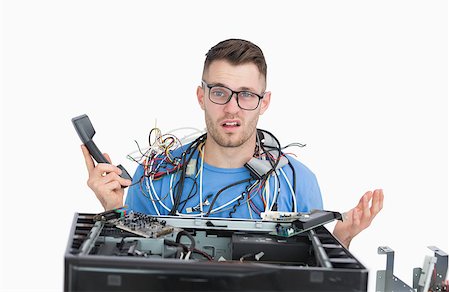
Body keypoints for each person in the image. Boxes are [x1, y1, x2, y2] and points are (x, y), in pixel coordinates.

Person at [81, 38, 384, 248]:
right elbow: (136, 267)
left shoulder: (295, 182)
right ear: (201, 97)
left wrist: (340, 240)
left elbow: (315, 278)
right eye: (220, 92)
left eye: (247, 94)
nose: (232, 108)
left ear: (264, 103)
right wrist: (114, 210)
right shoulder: (156, 176)